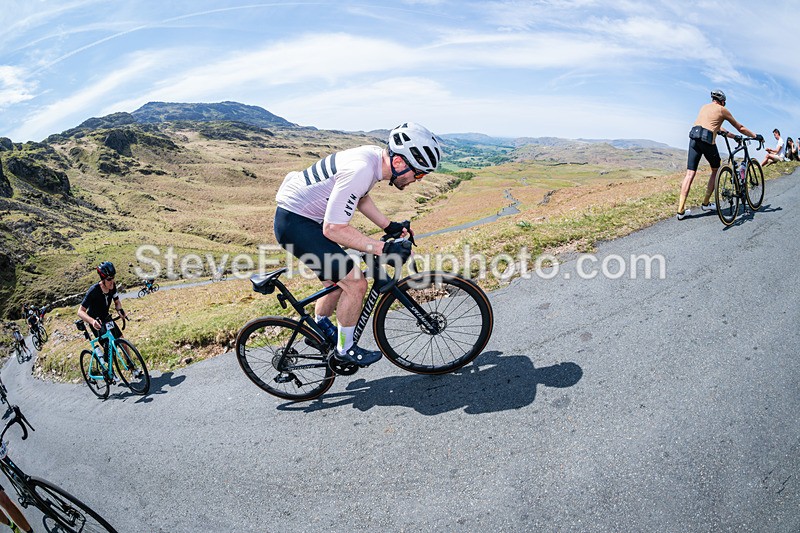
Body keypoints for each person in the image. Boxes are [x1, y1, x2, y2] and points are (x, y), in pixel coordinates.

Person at [274, 122, 441, 367]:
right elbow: (333, 229)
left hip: (303, 220)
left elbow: (360, 197)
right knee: (355, 283)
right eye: (418, 174)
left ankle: (319, 328)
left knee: (336, 282)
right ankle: (345, 349)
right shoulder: (361, 169)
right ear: (398, 162)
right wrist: (384, 248)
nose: (418, 180)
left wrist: (389, 226)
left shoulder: (373, 159)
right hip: (296, 225)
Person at [678, 89, 759, 220]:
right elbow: (740, 127)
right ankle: (705, 204)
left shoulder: (704, 107)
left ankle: (680, 211)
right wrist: (755, 136)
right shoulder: (722, 110)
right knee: (715, 170)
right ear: (722, 101)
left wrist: (733, 136)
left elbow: (718, 128)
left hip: (694, 138)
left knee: (689, 174)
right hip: (707, 141)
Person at [76, 261, 128, 354]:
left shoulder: (113, 286)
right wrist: (92, 321)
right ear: (103, 279)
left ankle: (131, 363)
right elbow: (80, 311)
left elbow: (117, 302)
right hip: (96, 322)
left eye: (113, 277)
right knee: (109, 349)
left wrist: (120, 310)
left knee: (122, 341)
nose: (112, 281)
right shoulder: (93, 290)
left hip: (106, 318)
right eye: (109, 279)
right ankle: (107, 362)